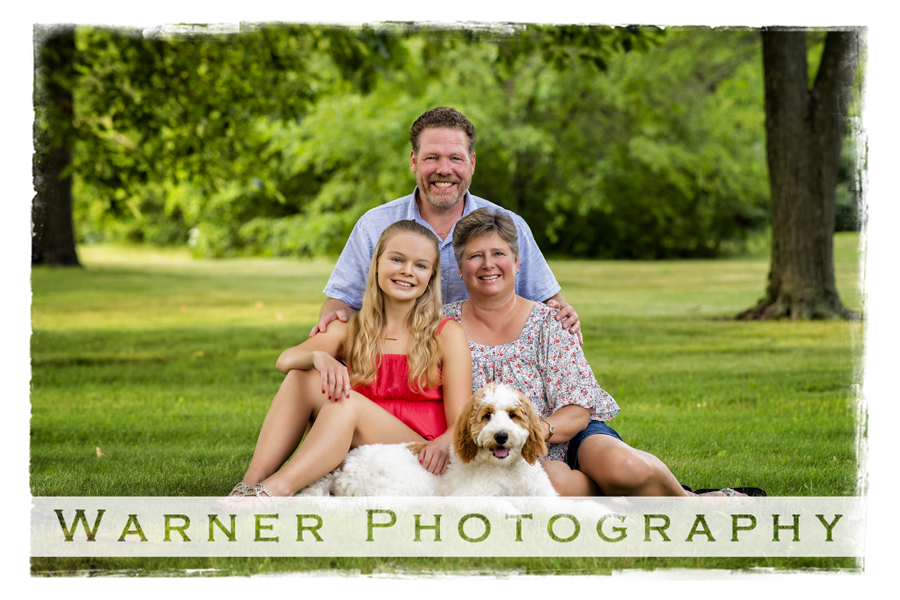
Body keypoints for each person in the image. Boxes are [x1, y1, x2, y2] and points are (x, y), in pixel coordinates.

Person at [446, 208, 750, 497]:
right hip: (498, 451)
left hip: (566, 435)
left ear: (517, 262)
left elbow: (578, 410)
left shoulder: (549, 322)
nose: (488, 264)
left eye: (498, 254)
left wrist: (536, 430)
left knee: (624, 467)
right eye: (476, 256)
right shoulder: (444, 326)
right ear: (460, 268)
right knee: (549, 482)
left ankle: (695, 502)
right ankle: (620, 497)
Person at [230, 220, 471, 497]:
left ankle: (277, 490)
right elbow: (285, 360)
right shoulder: (351, 327)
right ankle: (250, 484)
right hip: (357, 440)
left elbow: (461, 420)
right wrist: (320, 358)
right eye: (397, 259)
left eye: (420, 265)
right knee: (303, 374)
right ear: (377, 264)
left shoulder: (446, 332)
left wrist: (442, 444)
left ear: (431, 276)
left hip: (420, 448)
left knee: (346, 403)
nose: (407, 271)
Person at [310, 106, 584, 344]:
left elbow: (546, 299)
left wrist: (562, 310)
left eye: (455, 158)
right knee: (309, 376)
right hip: (397, 358)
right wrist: (333, 322)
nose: (444, 169)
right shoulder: (374, 225)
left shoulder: (508, 226)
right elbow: (341, 300)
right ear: (414, 161)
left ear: (472, 163)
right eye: (432, 158)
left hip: (480, 365)